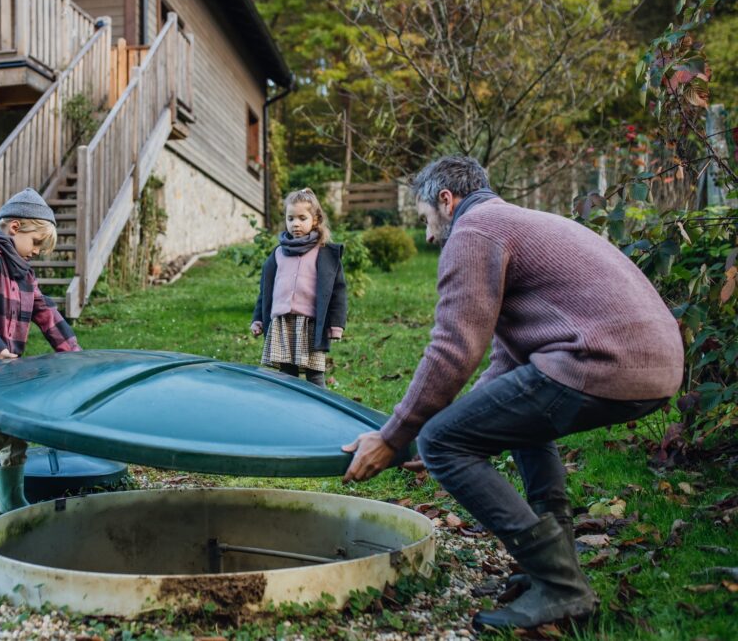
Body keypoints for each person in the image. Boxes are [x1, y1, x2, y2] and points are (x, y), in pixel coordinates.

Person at [341, 156, 683, 631]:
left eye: (425, 220)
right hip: (652, 363)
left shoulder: (475, 232)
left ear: (446, 200)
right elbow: (504, 363)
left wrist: (397, 435)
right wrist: (459, 420)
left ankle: (562, 588)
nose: (429, 237)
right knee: (510, 424)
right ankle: (553, 572)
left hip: (603, 361)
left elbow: (453, 350)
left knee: (442, 443)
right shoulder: (514, 222)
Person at [0, 188, 81, 527]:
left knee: (18, 423)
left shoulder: (23, 271)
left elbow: (45, 313)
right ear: (15, 228)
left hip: (2, 357)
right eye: (36, 243)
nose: (36, 252)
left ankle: (10, 499)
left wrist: (76, 357)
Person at [250, 188, 347, 387]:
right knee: (288, 375)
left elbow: (338, 291)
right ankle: (291, 411)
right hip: (283, 322)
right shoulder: (278, 254)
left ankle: (321, 409)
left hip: (310, 324)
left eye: (302, 218)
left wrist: (336, 325)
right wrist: (258, 319)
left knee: (314, 374)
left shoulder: (324, 254)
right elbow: (265, 291)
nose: (295, 224)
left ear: (316, 220)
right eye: (290, 218)